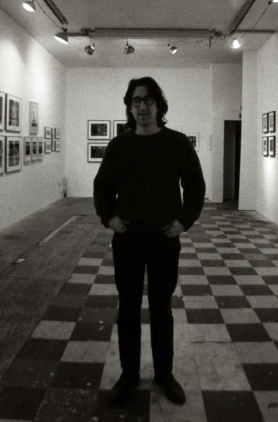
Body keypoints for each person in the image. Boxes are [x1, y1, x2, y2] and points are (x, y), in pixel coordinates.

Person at [93, 76, 205, 407]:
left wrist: (184, 222)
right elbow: (102, 188)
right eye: (136, 101)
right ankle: (129, 374)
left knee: (160, 308)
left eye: (148, 100)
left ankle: (164, 374)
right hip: (127, 238)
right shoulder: (119, 146)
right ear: (129, 107)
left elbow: (196, 187)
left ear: (159, 105)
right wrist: (108, 217)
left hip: (162, 239)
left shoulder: (177, 143)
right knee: (128, 308)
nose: (142, 107)